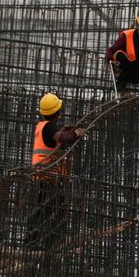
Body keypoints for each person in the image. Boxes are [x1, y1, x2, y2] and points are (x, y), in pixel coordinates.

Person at [27, 93, 86, 246]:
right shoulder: (50, 127)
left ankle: (37, 240)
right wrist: (75, 133)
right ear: (57, 112)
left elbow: (54, 139)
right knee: (50, 208)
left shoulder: (42, 126)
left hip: (42, 173)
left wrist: (66, 131)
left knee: (43, 208)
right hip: (47, 175)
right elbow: (63, 138)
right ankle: (44, 242)